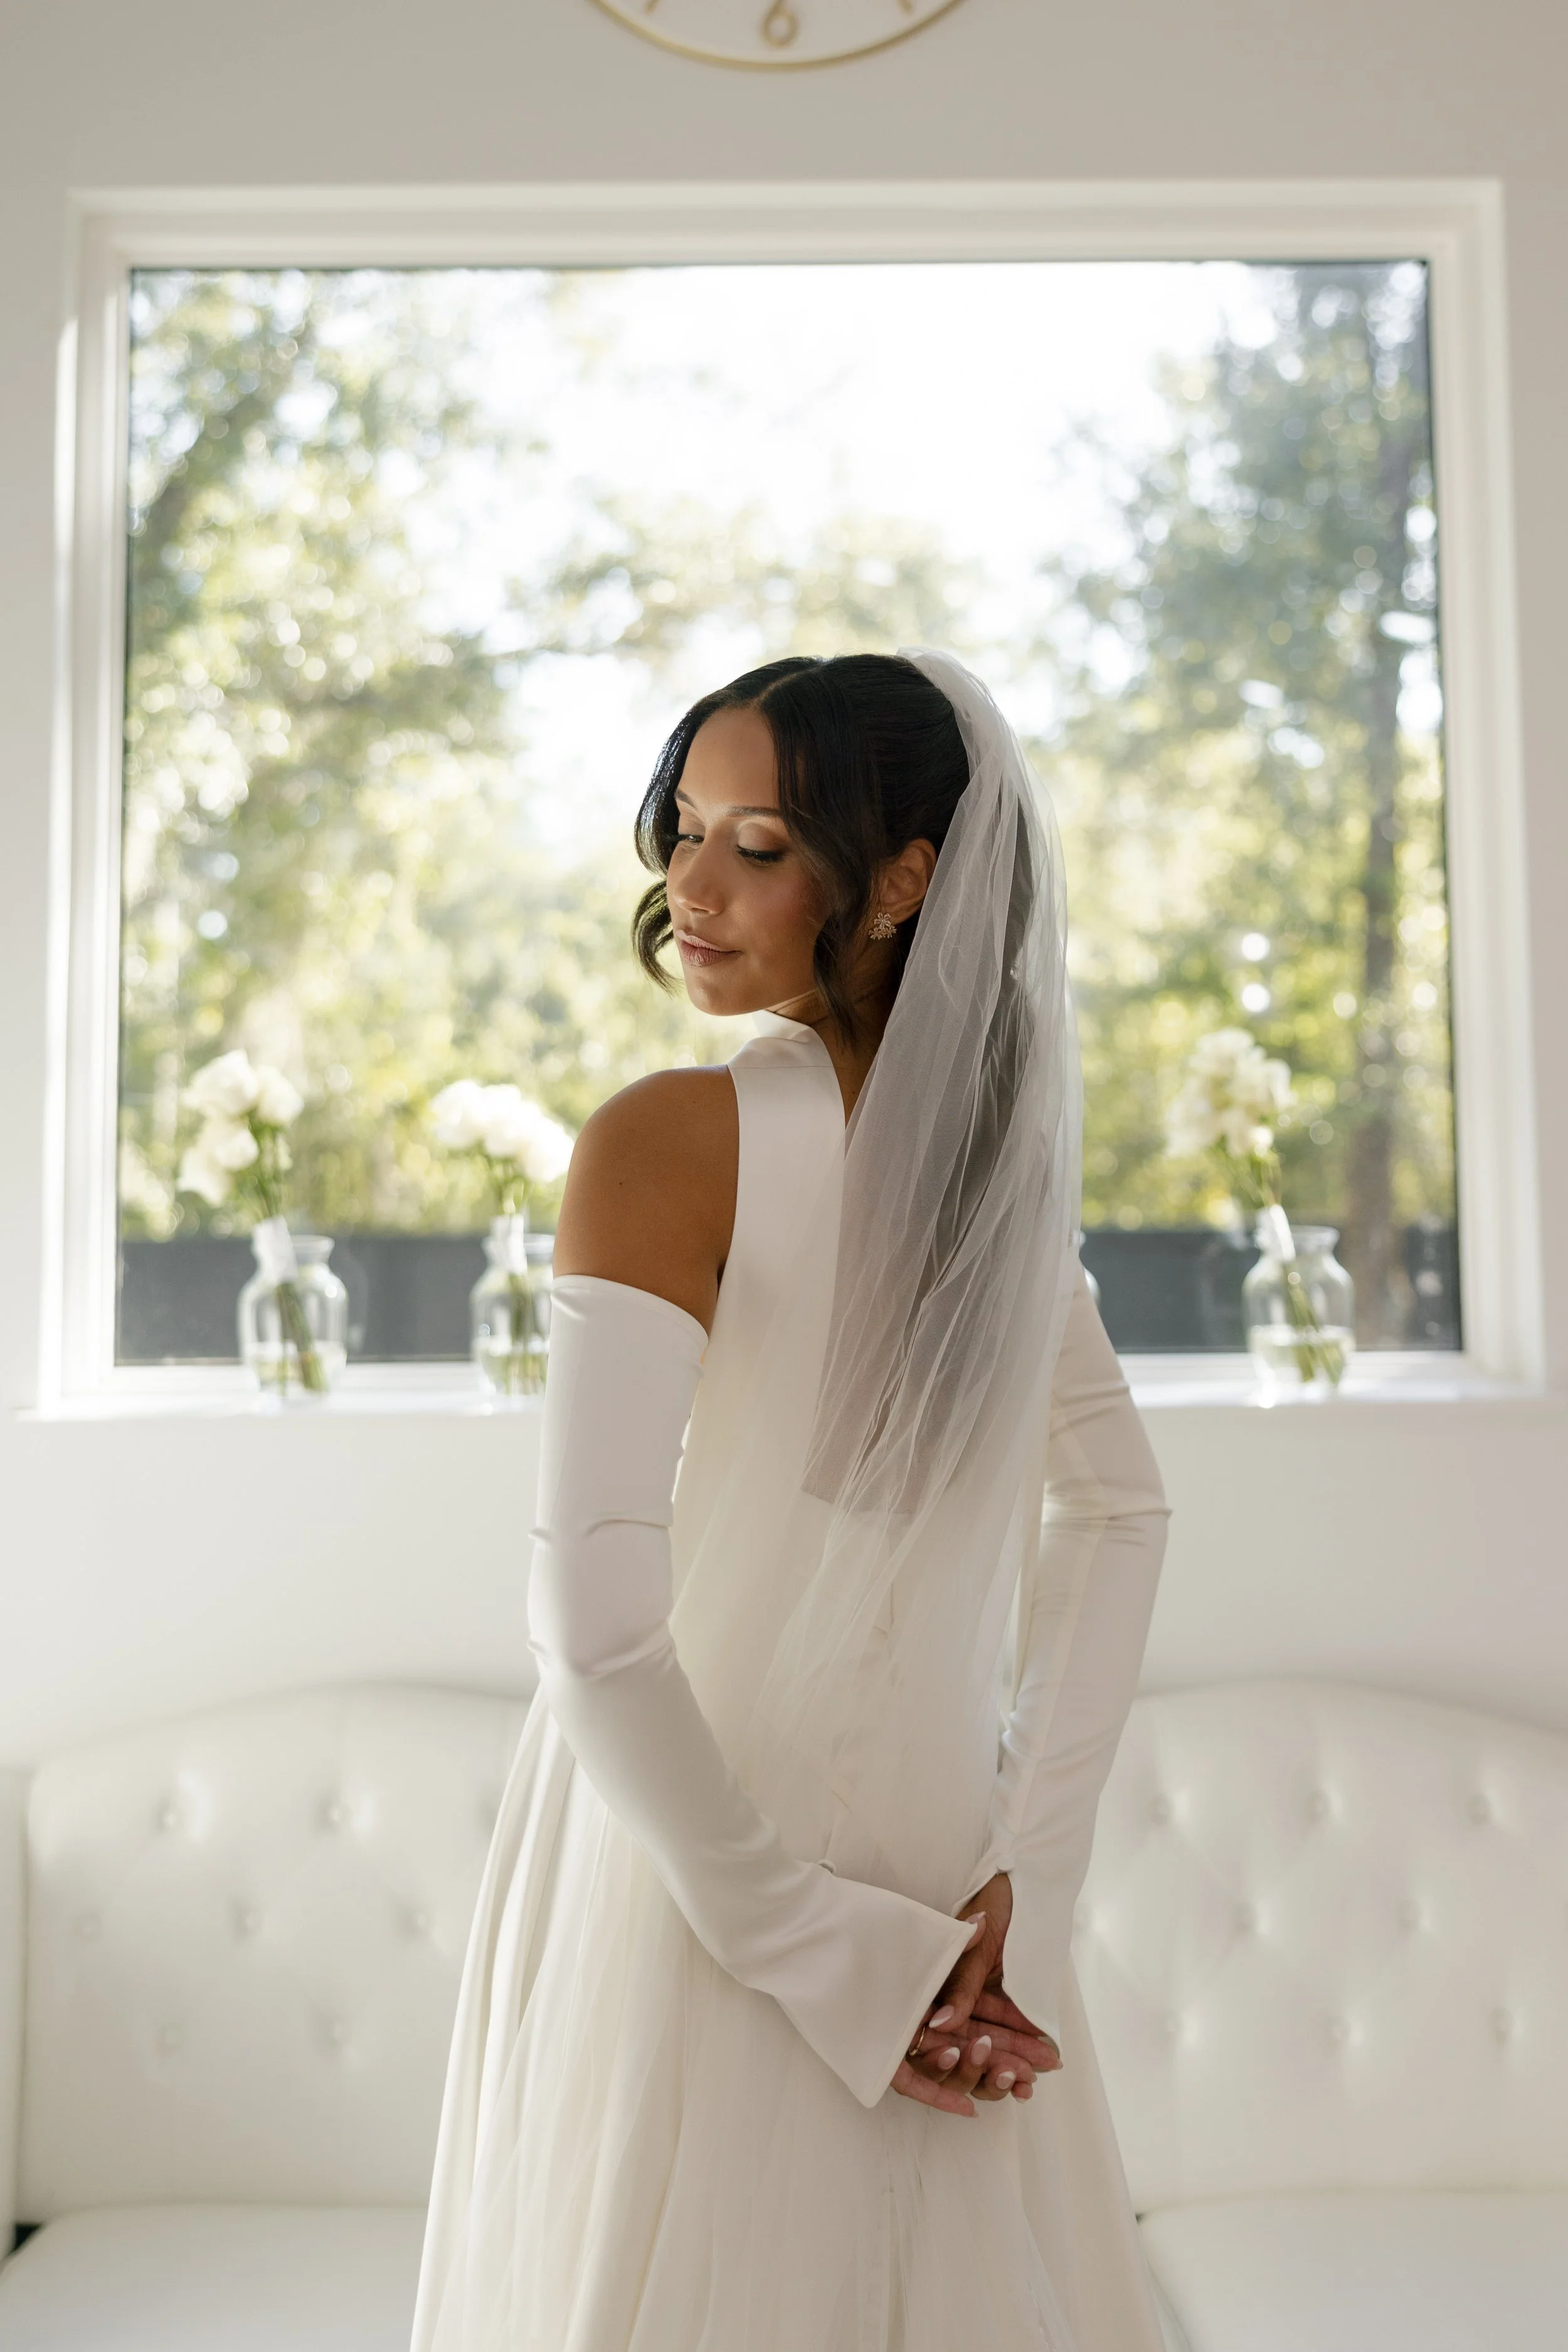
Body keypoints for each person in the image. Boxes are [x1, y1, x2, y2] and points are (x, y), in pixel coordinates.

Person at [412, 650, 1170, 2352]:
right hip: (930, 1859)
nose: (689, 884)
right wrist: (1019, 1879)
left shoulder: (660, 1140)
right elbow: (1123, 1511)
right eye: (683, 829)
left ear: (902, 881)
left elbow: (598, 1639)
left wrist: (815, 1944)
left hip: (699, 1863)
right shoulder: (992, 1167)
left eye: (758, 843)